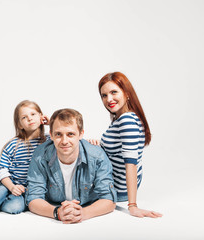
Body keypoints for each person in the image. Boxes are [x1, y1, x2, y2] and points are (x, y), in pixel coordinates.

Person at [26, 108, 117, 224]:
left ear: (81, 134)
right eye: (58, 134)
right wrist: (57, 212)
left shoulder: (97, 156)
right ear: (51, 135)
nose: (64, 141)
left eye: (70, 134)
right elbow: (33, 198)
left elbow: (109, 199)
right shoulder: (40, 156)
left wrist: (83, 214)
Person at [92, 71, 162, 218]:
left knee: (67, 141)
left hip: (117, 188)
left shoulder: (127, 120)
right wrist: (100, 146)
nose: (109, 99)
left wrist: (133, 206)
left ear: (126, 93)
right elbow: (117, 150)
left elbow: (131, 162)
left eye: (113, 92)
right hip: (117, 182)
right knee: (72, 141)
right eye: (104, 95)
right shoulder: (121, 118)